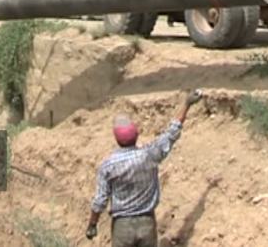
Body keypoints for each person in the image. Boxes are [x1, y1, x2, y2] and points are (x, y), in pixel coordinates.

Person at [85, 90, 205, 246]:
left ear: (117, 139)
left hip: (122, 227)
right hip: (147, 223)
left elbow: (100, 200)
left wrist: (92, 224)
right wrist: (186, 105)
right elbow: (172, 134)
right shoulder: (149, 155)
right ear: (136, 135)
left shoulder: (108, 166)